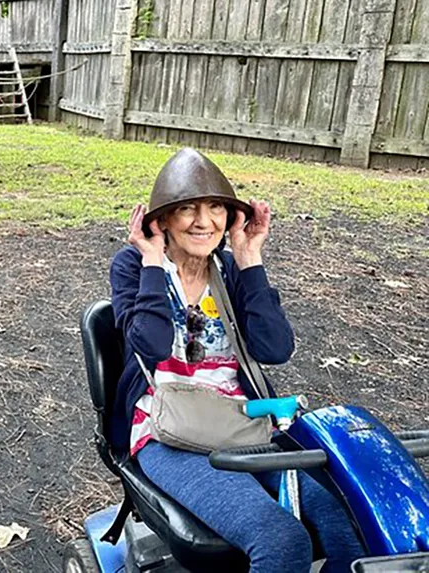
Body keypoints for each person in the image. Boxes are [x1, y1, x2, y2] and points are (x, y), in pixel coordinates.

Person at [109, 148, 365, 572]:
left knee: (345, 524)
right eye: (187, 209)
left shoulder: (229, 269)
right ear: (162, 220)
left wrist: (250, 260)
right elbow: (149, 345)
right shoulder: (134, 268)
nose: (203, 221)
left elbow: (274, 349)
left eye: (216, 209)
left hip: (243, 421)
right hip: (167, 428)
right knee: (281, 539)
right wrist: (153, 260)